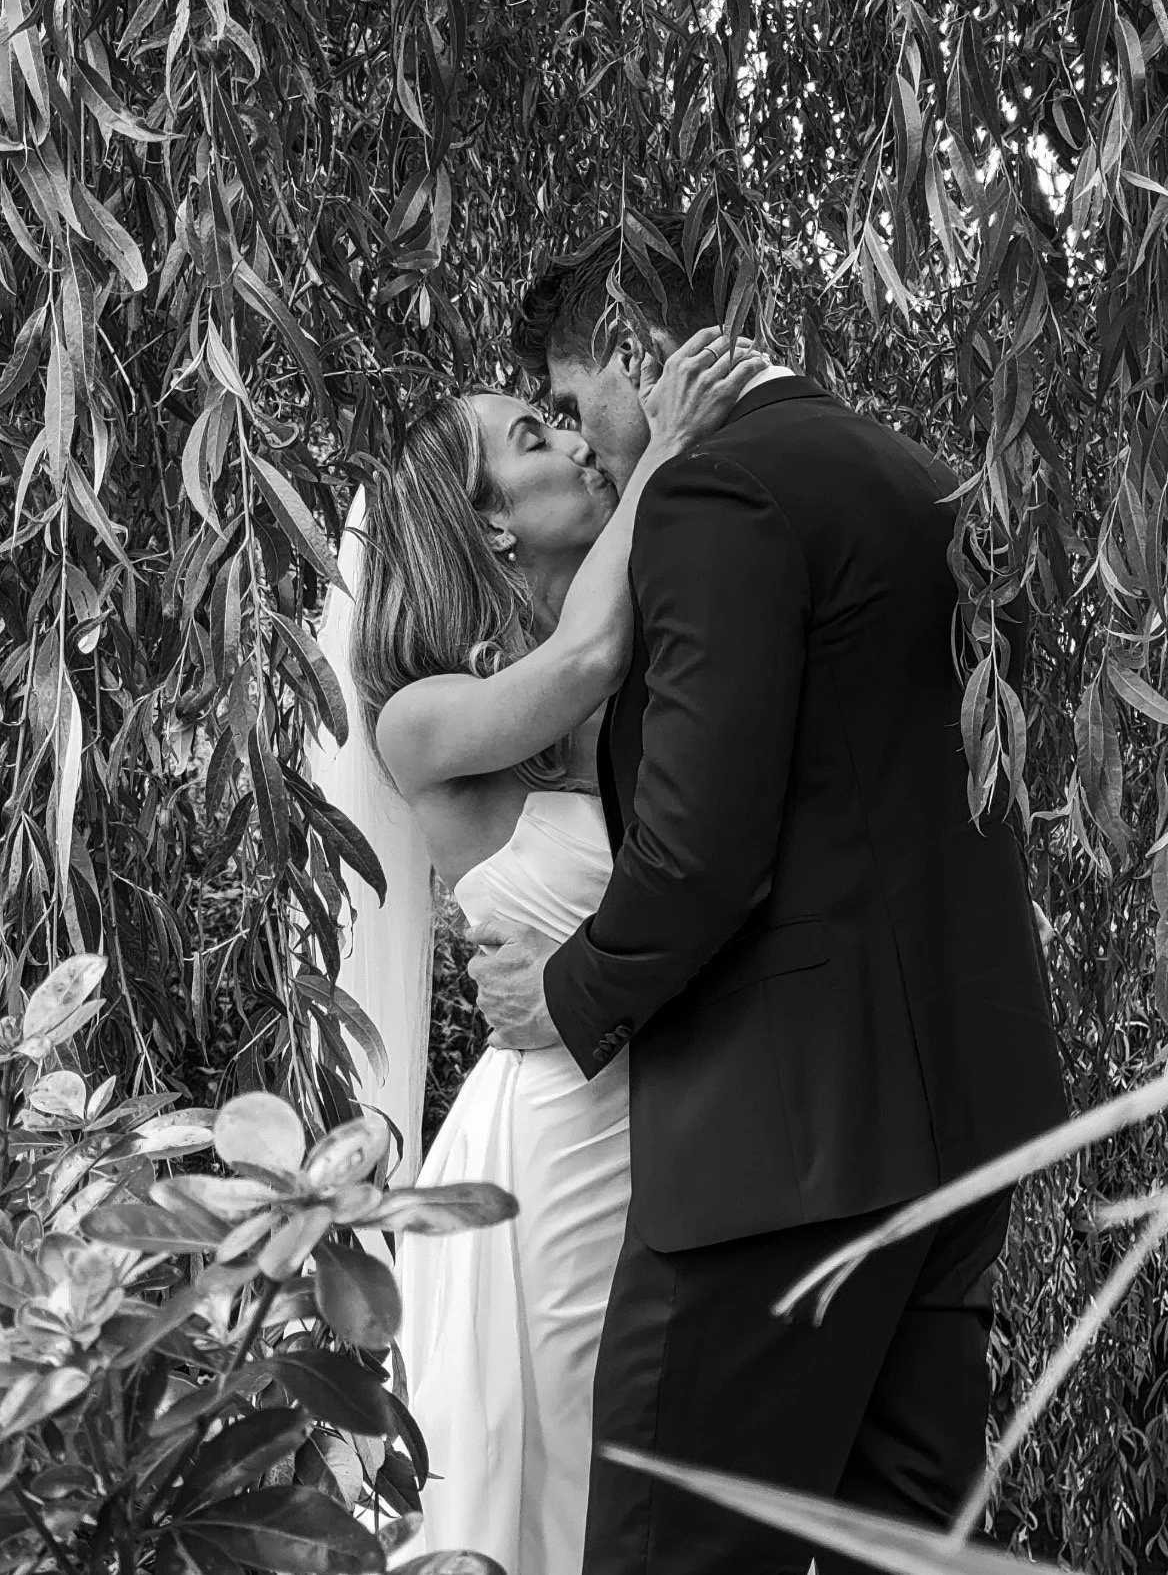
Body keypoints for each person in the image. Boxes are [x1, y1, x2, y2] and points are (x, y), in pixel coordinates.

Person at [470, 213, 1070, 1575]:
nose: (585, 447)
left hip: (775, 1158)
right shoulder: (926, 485)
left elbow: (698, 847)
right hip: (956, 1127)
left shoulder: (714, 495)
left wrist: (560, 994)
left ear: (635, 353)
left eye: (570, 406)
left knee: (662, 1548)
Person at [341, 325, 767, 1575]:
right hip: (552, 1142)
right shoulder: (423, 718)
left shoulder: (628, 681)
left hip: (664, 1112)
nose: (575, 437)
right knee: (579, 1456)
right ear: (484, 530)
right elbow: (583, 654)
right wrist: (667, 453)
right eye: (532, 436)